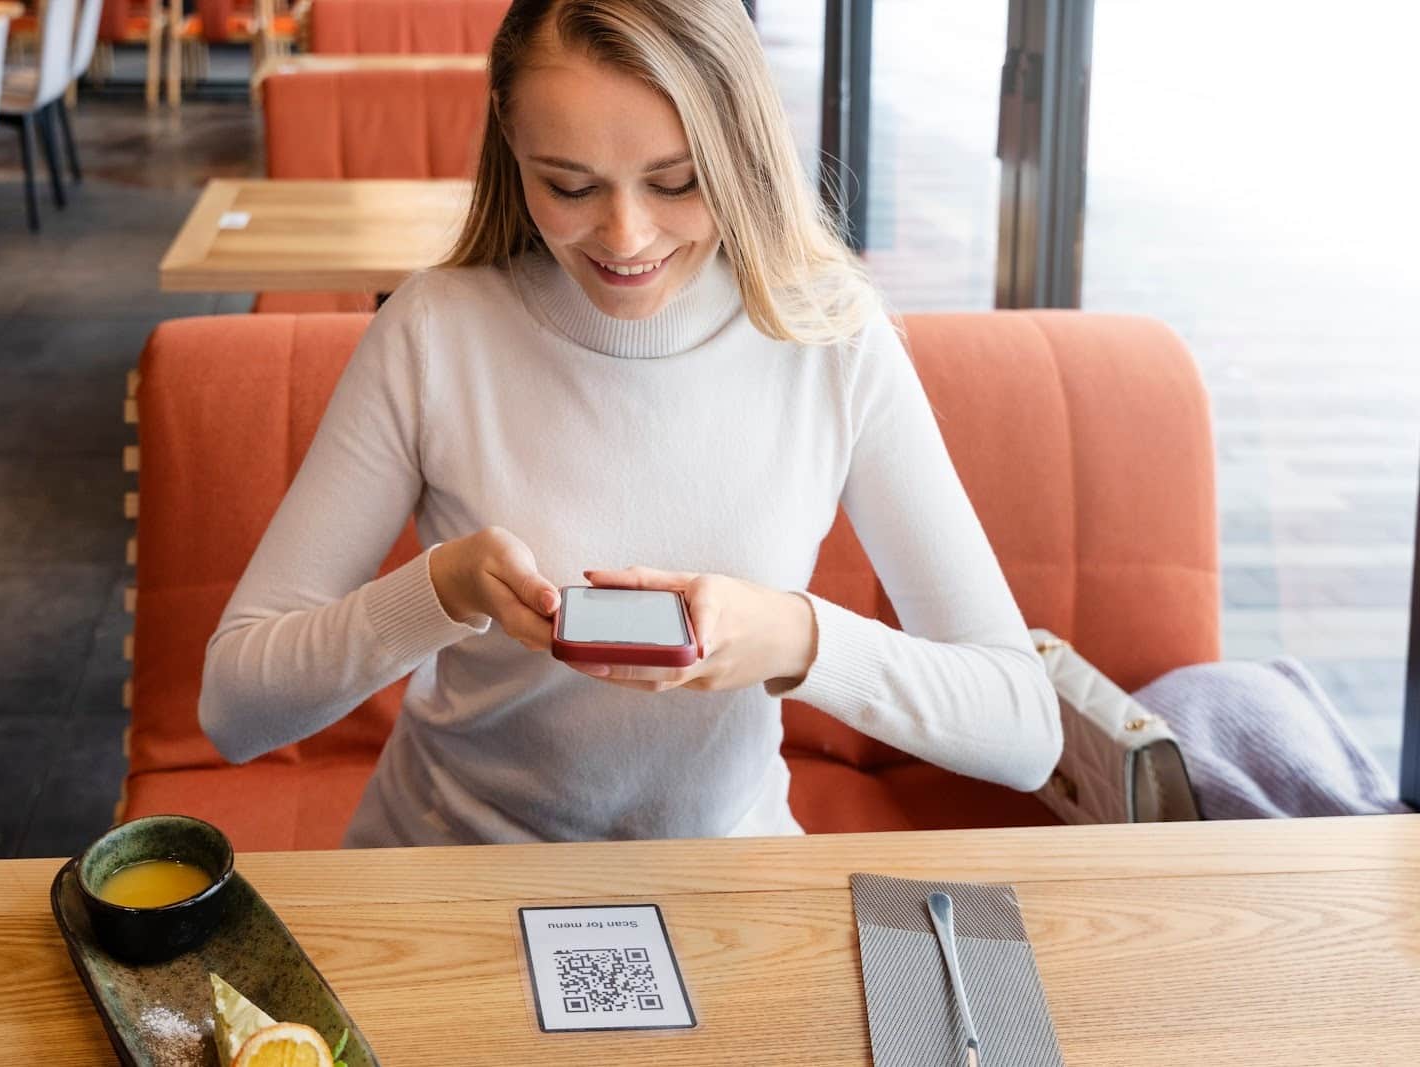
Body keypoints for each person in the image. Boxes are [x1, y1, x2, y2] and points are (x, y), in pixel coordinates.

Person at [199, 0, 1062, 847]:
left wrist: (796, 638)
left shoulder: (832, 340)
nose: (625, 236)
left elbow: (1024, 728)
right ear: (510, 139)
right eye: (568, 184)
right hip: (449, 868)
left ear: (741, 151)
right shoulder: (436, 331)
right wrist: (439, 593)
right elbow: (234, 706)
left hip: (717, 875)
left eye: (677, 181)